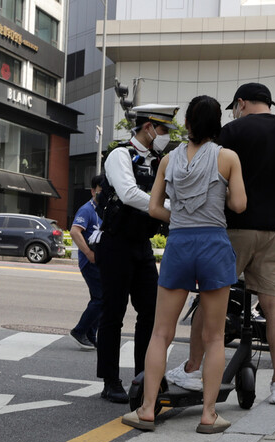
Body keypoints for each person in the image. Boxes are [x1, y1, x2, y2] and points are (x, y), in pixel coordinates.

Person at [166, 83, 275, 405]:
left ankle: (192, 369)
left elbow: (205, 166)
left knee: (213, 299)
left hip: (233, 228)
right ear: (269, 103)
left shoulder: (232, 131)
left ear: (241, 103)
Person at [122, 95, 246, 434]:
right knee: (214, 336)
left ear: (188, 124)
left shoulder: (168, 160)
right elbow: (238, 204)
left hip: (179, 243)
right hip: (213, 245)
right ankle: (208, 414)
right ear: (217, 125)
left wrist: (181, 217)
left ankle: (147, 409)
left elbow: (153, 208)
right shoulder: (228, 158)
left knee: (161, 333)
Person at [95, 104, 179, 403]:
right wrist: (169, 210)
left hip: (141, 246)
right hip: (115, 244)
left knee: (151, 313)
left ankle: (146, 376)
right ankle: (110, 380)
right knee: (113, 315)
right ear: (149, 128)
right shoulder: (120, 155)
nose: (166, 136)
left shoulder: (158, 161)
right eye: (164, 130)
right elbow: (129, 194)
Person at [68, 174, 105, 350]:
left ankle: (90, 335)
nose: (102, 194)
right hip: (90, 262)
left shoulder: (104, 208)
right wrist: (89, 253)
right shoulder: (87, 210)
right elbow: (75, 231)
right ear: (92, 191)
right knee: (101, 298)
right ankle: (79, 330)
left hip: (101, 262)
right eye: (100, 191)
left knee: (99, 299)